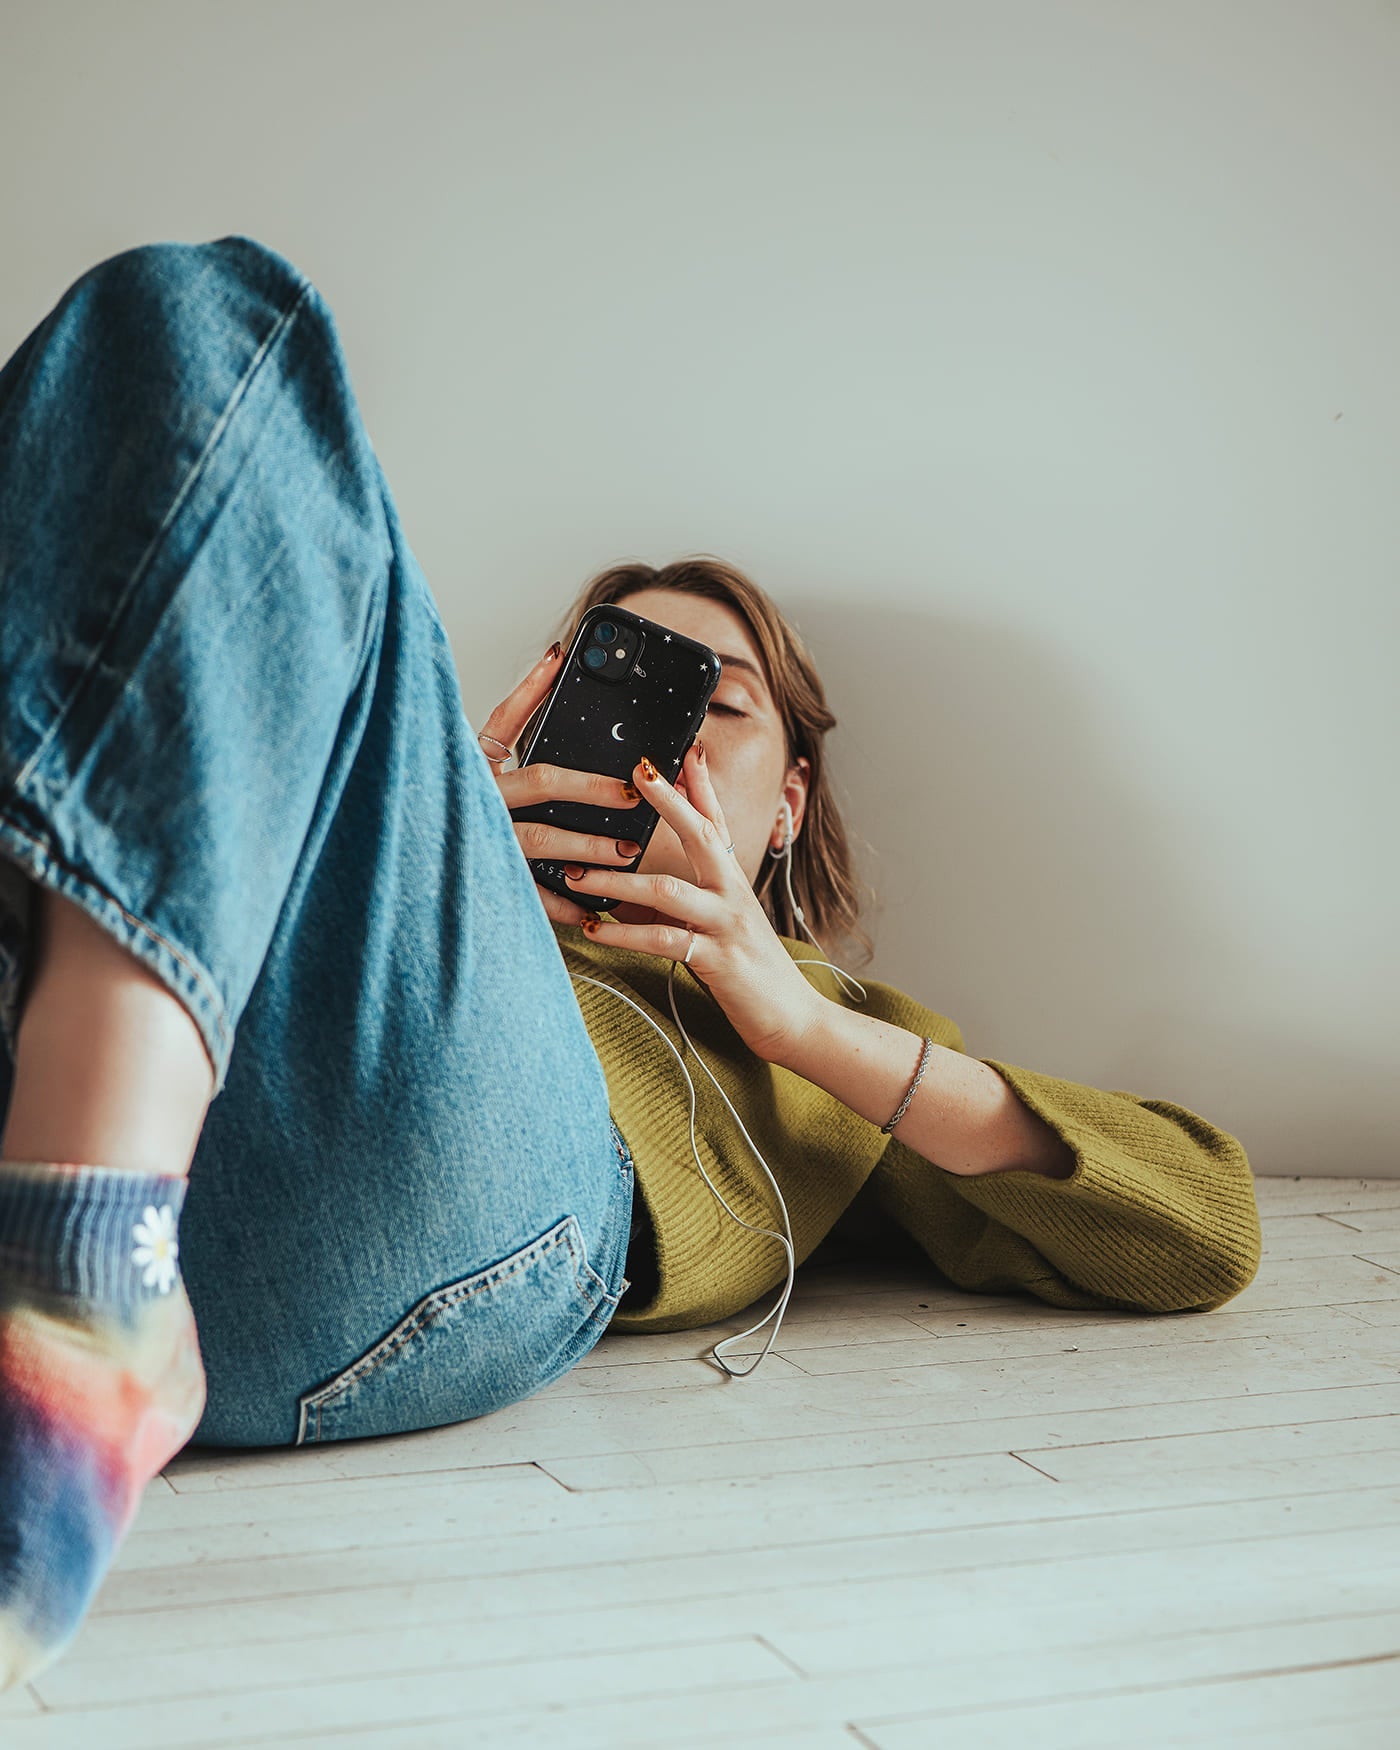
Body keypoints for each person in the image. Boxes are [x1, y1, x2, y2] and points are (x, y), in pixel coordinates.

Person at [0, 235, 1261, 1693]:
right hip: (166, 1074)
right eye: (598, 693)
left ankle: (86, 1275)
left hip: (436, 1225)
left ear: (786, 800)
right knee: (141, 379)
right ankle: (92, 1226)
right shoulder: (440, 856)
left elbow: (1208, 1222)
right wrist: (436, 822)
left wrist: (792, 1018)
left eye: (709, 705)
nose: (652, 747)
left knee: (226, 320)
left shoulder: (826, 1032)